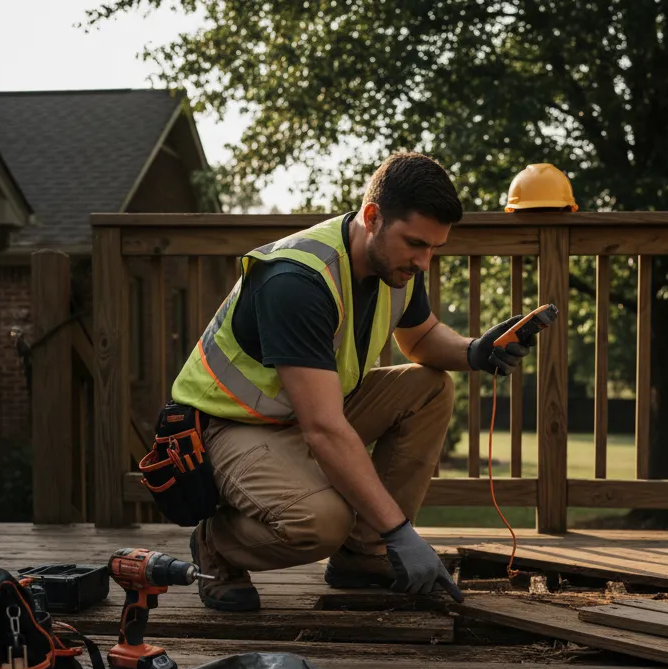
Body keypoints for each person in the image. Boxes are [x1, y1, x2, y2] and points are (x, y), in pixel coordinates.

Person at [169, 152, 540, 612]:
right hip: (233, 425)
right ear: (372, 217)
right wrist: (400, 530)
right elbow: (324, 430)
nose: (424, 261)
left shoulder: (395, 264)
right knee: (323, 522)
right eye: (416, 244)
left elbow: (421, 338)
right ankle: (217, 545)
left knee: (430, 387)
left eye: (433, 249)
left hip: (305, 414)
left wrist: (475, 352)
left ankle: (364, 556)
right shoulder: (298, 281)